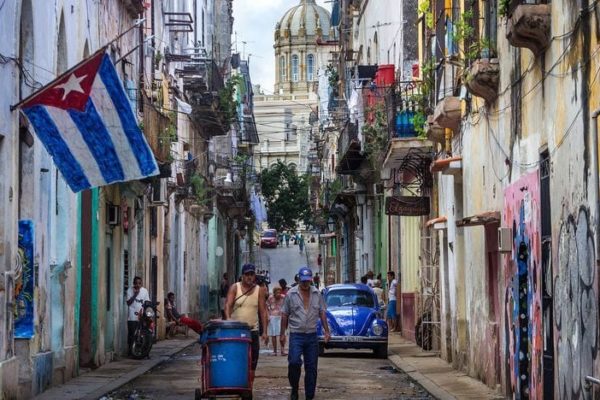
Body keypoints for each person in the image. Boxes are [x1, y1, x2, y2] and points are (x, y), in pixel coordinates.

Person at [280, 267, 331, 400]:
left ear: (311, 281)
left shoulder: (317, 294)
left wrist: (326, 331)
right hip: (296, 335)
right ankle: (294, 388)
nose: (305, 284)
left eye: (308, 281)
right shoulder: (291, 294)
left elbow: (322, 312)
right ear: (299, 280)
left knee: (312, 368)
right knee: (294, 362)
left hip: (311, 335)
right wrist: (282, 334)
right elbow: (284, 314)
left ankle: (309, 396)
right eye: (303, 281)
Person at [225, 263, 268, 384]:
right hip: (236, 331)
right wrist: (228, 319)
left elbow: (262, 311)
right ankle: (235, 383)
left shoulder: (259, 290)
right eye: (247, 274)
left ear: (254, 276)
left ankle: (248, 389)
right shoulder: (235, 287)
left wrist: (264, 331)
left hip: (252, 331)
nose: (249, 277)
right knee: (236, 359)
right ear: (242, 276)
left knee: (253, 362)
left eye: (252, 274)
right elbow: (228, 305)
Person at [126, 276, 150, 356]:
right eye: (136, 283)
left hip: (141, 315)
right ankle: (130, 351)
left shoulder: (144, 291)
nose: (137, 285)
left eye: (139, 283)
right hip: (132, 316)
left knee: (142, 333)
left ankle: (141, 350)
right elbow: (128, 303)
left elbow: (147, 302)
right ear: (133, 283)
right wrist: (135, 295)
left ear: (141, 284)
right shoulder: (129, 290)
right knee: (132, 334)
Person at [267, 286, 286, 356]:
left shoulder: (283, 297)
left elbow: (287, 307)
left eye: (279, 292)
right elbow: (267, 307)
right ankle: (275, 351)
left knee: (282, 334)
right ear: (274, 293)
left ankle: (282, 350)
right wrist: (268, 316)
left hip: (281, 317)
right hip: (272, 317)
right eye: (277, 292)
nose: (278, 294)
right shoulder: (270, 298)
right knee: (273, 335)